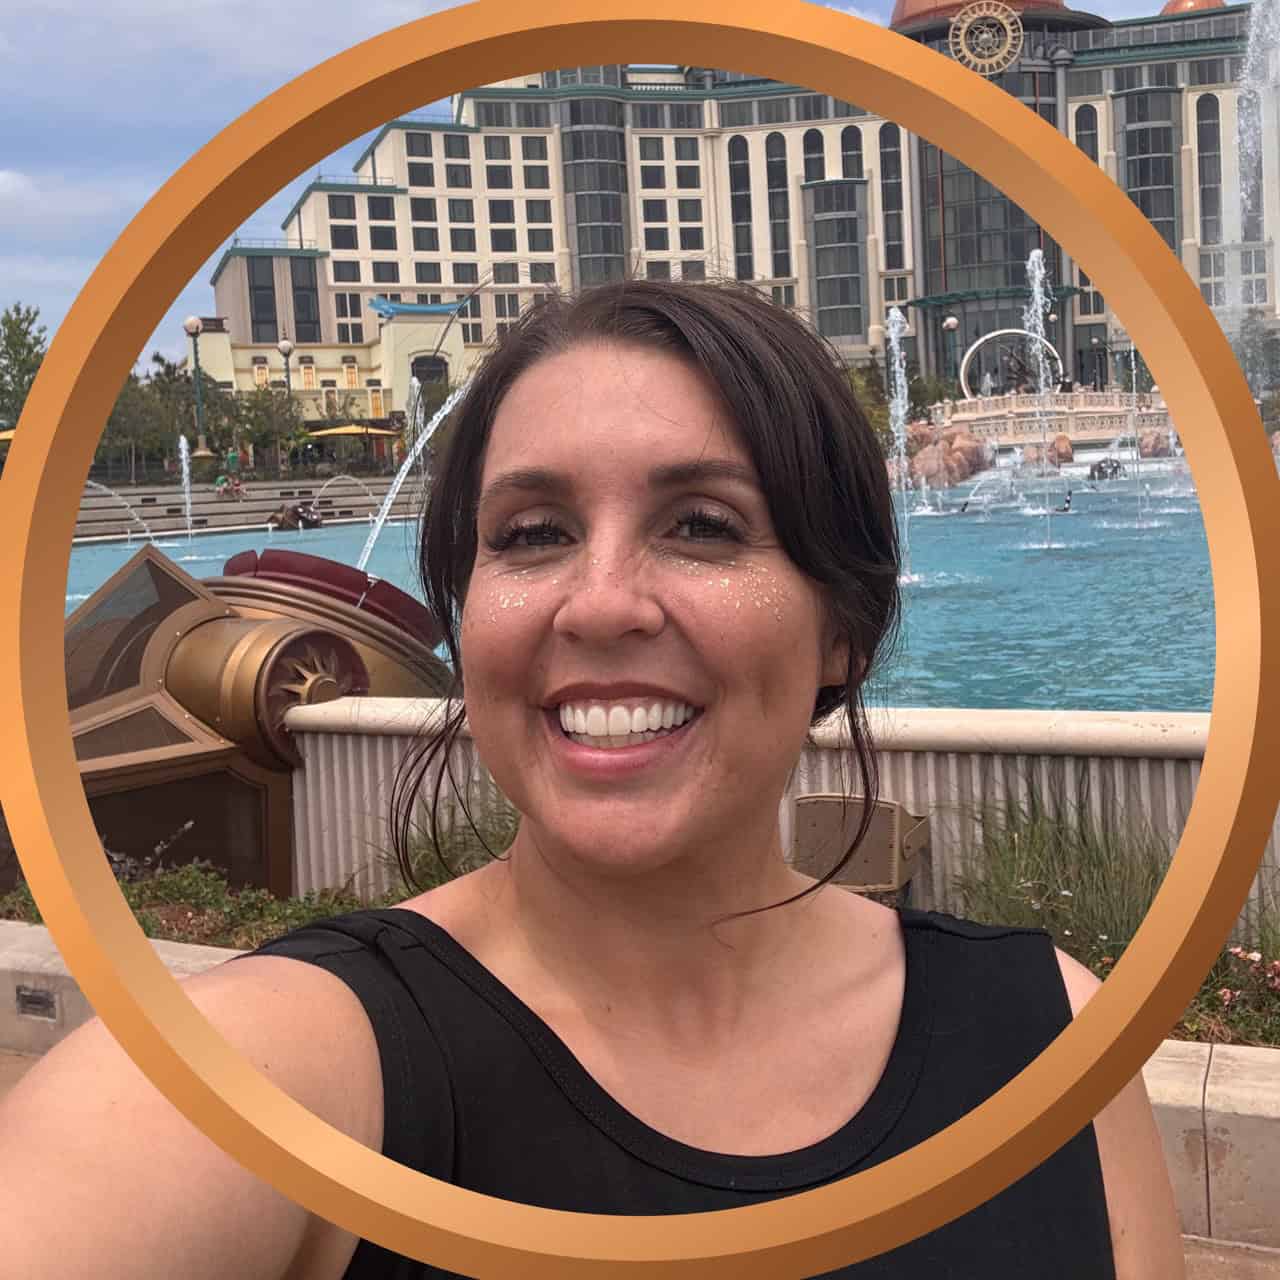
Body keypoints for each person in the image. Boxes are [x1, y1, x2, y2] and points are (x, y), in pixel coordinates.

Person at [0, 279, 1184, 1279]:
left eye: (704, 525)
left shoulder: (1046, 1043)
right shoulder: (264, 1074)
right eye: (530, 533)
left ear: (844, 630)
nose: (603, 600)